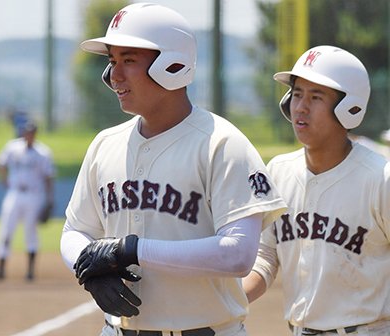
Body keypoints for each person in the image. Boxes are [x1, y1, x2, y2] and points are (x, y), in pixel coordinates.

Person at [59, 3, 287, 336]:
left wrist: (133, 250)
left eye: (128, 61)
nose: (114, 76)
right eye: (112, 62)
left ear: (172, 65)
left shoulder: (221, 144)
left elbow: (238, 253)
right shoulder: (104, 144)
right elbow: (75, 231)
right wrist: (90, 269)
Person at [242, 45, 390, 335]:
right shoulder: (279, 171)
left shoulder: (380, 178)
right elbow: (266, 256)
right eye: (297, 94)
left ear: (350, 108)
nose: (301, 106)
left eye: (316, 97)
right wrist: (222, 299)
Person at [0, 121, 55, 281]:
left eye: (32, 132)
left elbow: (48, 177)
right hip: (15, 193)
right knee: (6, 229)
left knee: (31, 231)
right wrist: (4, 180)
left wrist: (49, 200)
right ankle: (0, 269)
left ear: (36, 133)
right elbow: (1, 162)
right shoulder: (12, 147)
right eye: (27, 132)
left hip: (34, 195)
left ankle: (30, 271)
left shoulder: (43, 152)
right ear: (23, 133)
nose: (29, 135)